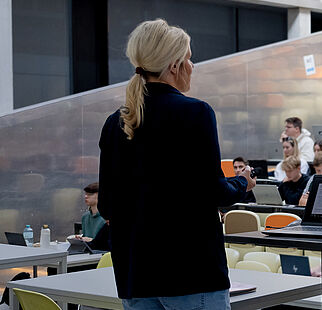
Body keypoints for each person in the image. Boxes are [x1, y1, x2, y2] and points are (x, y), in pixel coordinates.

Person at [98, 19, 254, 306]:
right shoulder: (195, 112)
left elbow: (107, 206)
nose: (192, 67)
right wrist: (242, 182)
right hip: (191, 274)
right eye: (190, 59)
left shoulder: (114, 122)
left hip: (135, 277)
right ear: (174, 66)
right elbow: (214, 191)